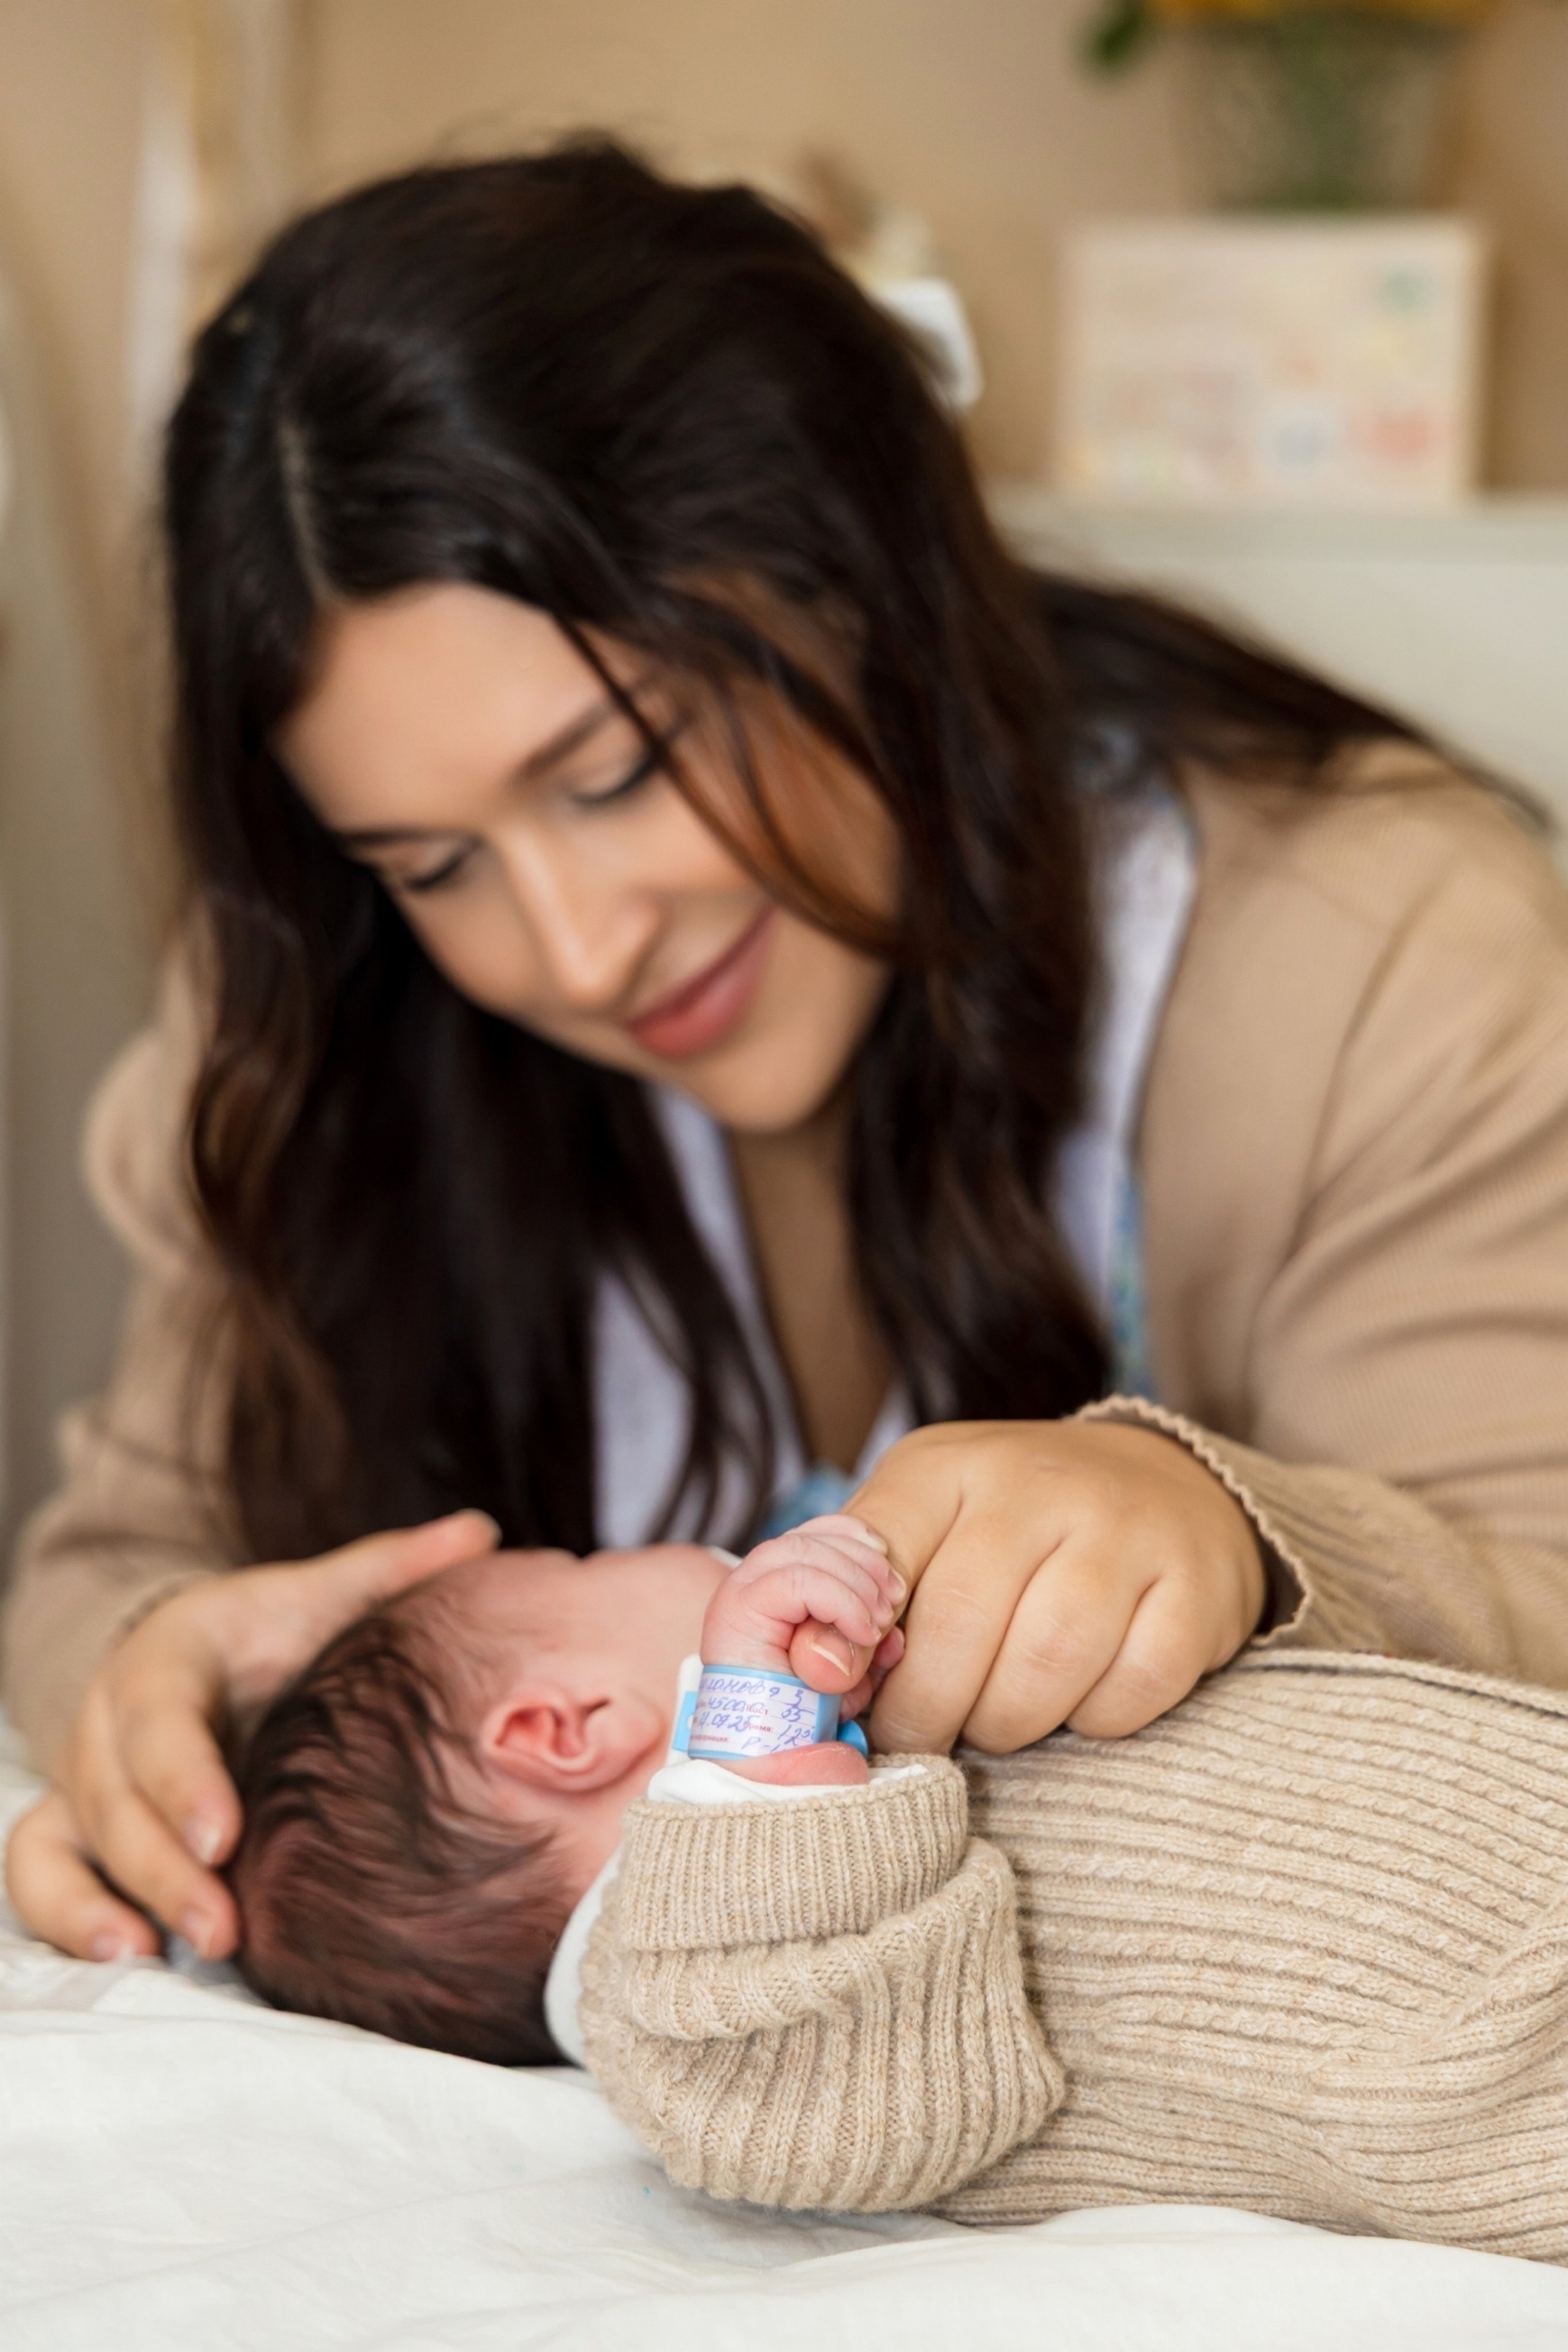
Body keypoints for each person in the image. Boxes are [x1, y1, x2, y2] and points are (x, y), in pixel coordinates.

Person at [8, 138, 1568, 1972]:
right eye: (434, 866)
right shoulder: (337, 1028)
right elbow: (120, 1556)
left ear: (856, 581)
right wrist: (156, 1678)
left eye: (616, 772)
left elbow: (1538, 1578)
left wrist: (1234, 1530)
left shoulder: (1368, 949)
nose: (578, 951)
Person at [231, 1515, 1568, 2265]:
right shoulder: (671, 2013)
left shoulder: (851, 1758)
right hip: (1475, 2062)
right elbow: (847, 2105)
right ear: (560, 1728)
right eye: (588, 1565)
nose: (659, 1544)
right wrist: (760, 1735)